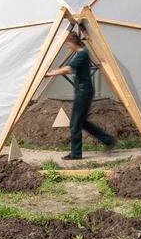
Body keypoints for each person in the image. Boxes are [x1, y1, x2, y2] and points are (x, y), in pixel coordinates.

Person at [45, 31, 116, 160]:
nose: (67, 46)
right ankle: (107, 139)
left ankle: (76, 154)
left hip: (84, 92)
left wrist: (52, 73)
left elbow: (69, 69)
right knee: (81, 122)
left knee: (74, 123)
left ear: (73, 42)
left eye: (67, 44)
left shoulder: (82, 53)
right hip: (83, 91)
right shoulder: (81, 53)